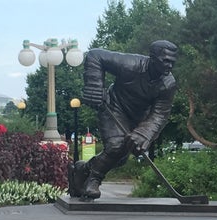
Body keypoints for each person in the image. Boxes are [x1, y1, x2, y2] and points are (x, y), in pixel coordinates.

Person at [68, 40, 179, 199]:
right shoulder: (131, 64)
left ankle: (82, 170)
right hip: (114, 107)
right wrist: (94, 84)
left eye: (172, 62)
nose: (170, 66)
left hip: (139, 118)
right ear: (152, 58)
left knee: (120, 158)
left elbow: (160, 114)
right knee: (115, 146)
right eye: (165, 61)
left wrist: (145, 133)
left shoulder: (168, 84)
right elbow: (95, 55)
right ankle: (93, 180)